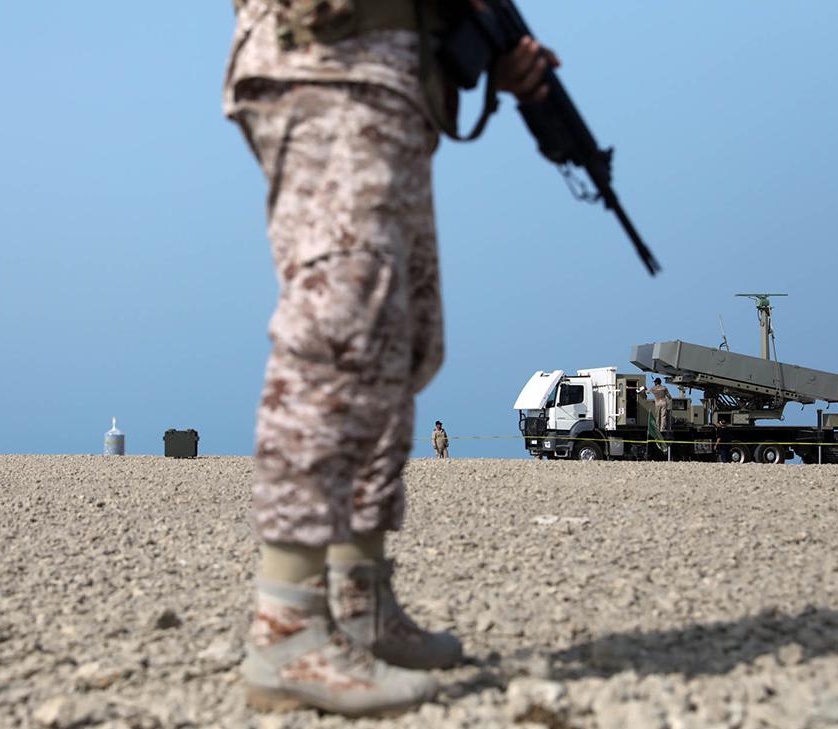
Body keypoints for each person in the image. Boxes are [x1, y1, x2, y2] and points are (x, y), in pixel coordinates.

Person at [223, 0, 557, 716]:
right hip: (327, 57)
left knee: (400, 343)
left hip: (396, 77)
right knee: (340, 327)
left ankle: (360, 603)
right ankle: (287, 627)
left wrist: (484, 43)